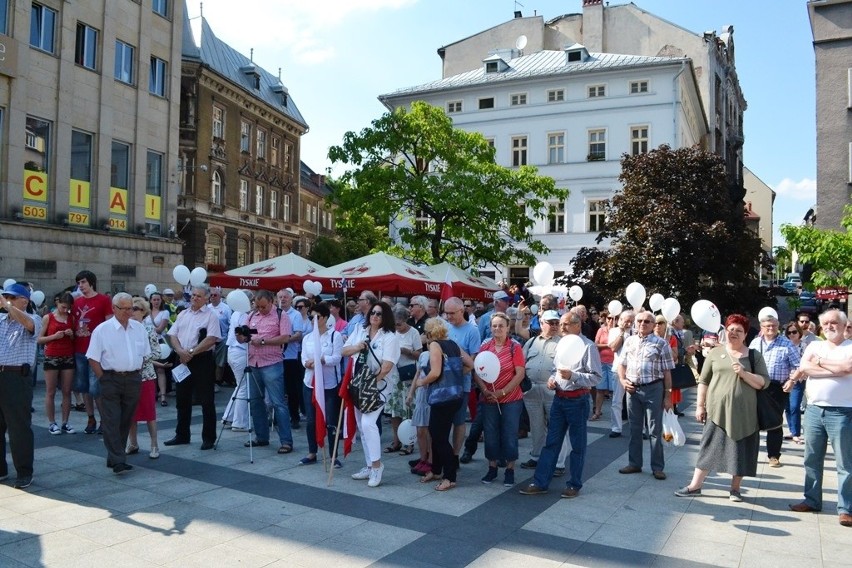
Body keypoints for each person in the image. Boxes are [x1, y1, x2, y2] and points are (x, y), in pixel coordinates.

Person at [674, 314, 770, 501]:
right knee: (708, 447)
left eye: (739, 331)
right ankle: (695, 486)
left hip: (746, 414)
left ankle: (735, 489)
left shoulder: (753, 355)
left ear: (745, 335)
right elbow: (704, 381)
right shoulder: (715, 353)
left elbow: (763, 382)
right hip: (716, 411)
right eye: (731, 329)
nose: (734, 333)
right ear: (725, 331)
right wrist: (700, 406)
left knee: (741, 450)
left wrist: (744, 373)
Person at [520, 309, 602, 497]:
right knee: (551, 443)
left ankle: (574, 484)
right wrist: (552, 379)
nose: (561, 327)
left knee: (577, 445)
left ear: (577, 325)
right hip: (559, 398)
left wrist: (574, 376)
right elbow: (556, 369)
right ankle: (541, 482)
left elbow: (596, 377)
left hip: (578, 401)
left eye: (565, 324)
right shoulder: (562, 344)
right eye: (560, 324)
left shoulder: (588, 346)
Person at [789, 309, 852, 527]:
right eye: (825, 323)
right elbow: (805, 367)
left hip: (843, 412)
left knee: (845, 463)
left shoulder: (850, 347)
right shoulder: (814, 345)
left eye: (834, 322)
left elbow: (848, 367)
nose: (829, 326)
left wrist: (821, 363)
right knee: (812, 459)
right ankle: (812, 500)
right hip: (815, 410)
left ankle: (846, 509)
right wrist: (836, 370)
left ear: (844, 326)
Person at [86, 293, 151, 475]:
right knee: (111, 419)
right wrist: (103, 379)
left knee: (125, 419)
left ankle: (114, 456)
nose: (129, 312)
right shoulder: (102, 330)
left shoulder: (138, 328)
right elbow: (92, 357)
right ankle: (119, 460)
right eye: (124, 309)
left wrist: (137, 373)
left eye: (131, 308)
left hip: (132, 379)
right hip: (110, 378)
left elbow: (145, 354)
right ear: (114, 308)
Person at [342, 300, 399, 487]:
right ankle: (369, 465)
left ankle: (377, 466)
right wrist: (358, 347)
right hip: (357, 384)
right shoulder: (360, 330)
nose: (374, 316)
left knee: (368, 423)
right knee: (361, 425)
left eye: (379, 313)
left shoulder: (390, 336)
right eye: (373, 312)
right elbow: (344, 350)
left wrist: (369, 384)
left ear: (386, 317)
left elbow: (387, 366)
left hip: (379, 386)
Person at [416, 317, 474, 491]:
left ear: (429, 333)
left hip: (442, 397)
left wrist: (422, 382)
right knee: (436, 433)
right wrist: (455, 376)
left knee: (440, 437)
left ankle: (450, 476)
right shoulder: (453, 344)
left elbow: (434, 373)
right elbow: (470, 364)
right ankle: (436, 470)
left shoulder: (435, 345)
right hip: (455, 395)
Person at [617, 310, 674, 479]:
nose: (642, 323)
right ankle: (634, 463)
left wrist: (668, 395)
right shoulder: (629, 341)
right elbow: (622, 364)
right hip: (632, 389)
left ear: (653, 325)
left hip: (653, 389)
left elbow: (667, 372)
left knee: (654, 430)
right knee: (634, 429)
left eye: (647, 321)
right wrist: (622, 380)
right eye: (640, 320)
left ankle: (657, 467)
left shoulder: (661, 343)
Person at [164, 284, 222, 450]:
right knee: (182, 398)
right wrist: (181, 351)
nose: (195, 298)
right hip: (182, 358)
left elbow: (211, 338)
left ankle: (208, 438)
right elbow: (172, 334)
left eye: (198, 296)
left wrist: (191, 352)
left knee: (206, 400)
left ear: (206, 298)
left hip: (201, 360)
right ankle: (182, 434)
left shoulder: (211, 316)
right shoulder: (183, 313)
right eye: (193, 295)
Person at [241, 289, 294, 454]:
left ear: (271, 302)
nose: (260, 309)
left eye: (263, 306)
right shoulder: (251, 316)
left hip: (272, 363)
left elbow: (286, 338)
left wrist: (263, 341)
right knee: (256, 402)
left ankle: (286, 441)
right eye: (257, 306)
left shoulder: (280, 315)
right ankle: (261, 436)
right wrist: (242, 337)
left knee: (278, 403)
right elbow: (245, 335)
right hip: (253, 362)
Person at [476, 312, 525, 487]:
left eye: (501, 325)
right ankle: (492, 467)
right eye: (494, 326)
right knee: (490, 433)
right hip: (489, 398)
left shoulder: (514, 347)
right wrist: (484, 389)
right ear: (490, 328)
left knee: (510, 433)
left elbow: (520, 373)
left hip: (511, 398)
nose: (497, 328)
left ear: (508, 328)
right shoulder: (485, 347)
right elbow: (478, 370)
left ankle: (510, 469)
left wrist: (503, 392)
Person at [0, 283, 41, 489]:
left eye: (11, 297)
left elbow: (29, 324)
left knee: (18, 428)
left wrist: (7, 306)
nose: (6, 300)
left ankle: (24, 472)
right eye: (5, 297)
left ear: (24, 301)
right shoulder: (0, 320)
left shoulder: (33, 318)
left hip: (17, 378)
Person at [748, 314, 800, 468]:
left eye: (774, 326)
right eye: (767, 326)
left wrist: (792, 381)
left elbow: (797, 366)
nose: (771, 329)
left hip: (777, 388)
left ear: (778, 326)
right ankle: (750, 454)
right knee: (751, 420)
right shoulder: (755, 343)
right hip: (755, 385)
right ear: (761, 327)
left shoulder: (787, 344)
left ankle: (774, 456)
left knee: (775, 422)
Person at [300, 302, 343, 466]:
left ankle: (333, 455)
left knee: (331, 420)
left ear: (325, 318)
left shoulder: (334, 336)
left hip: (328, 384)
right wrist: (308, 363)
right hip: (310, 383)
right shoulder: (308, 338)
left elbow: (337, 358)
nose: (313, 320)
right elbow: (303, 358)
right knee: (311, 420)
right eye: (311, 317)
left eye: (316, 317)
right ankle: (312, 452)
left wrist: (321, 360)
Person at [519, 309, 562, 470]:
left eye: (556, 323)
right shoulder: (531, 342)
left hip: (553, 390)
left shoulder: (562, 342)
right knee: (536, 426)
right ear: (541, 323)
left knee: (557, 426)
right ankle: (536, 456)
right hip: (532, 390)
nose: (554, 326)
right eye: (550, 323)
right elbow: (521, 363)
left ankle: (558, 462)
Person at [72, 270, 113, 435]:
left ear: (91, 282)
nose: (80, 286)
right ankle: (91, 417)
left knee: (97, 388)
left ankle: (104, 419)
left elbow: (109, 325)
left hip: (96, 352)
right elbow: (75, 323)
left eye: (83, 282)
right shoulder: (77, 302)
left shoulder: (104, 300)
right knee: (85, 387)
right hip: (79, 350)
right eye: (79, 283)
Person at [126, 297, 161, 459]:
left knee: (149, 412)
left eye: (135, 309)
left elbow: (157, 352)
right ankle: (132, 442)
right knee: (130, 412)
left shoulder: (148, 330)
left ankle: (154, 445)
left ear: (143, 312)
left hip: (146, 376)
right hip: (129, 376)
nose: (131, 312)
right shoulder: (126, 328)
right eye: (130, 309)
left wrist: (140, 358)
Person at [37, 291, 76, 435]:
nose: (65, 310)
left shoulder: (71, 318)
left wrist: (71, 335)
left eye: (68, 308)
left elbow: (75, 340)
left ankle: (65, 422)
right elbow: (39, 339)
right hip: (52, 356)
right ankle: (52, 422)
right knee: (51, 391)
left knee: (67, 390)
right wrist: (54, 336)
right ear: (57, 304)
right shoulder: (49, 317)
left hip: (68, 355)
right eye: (63, 307)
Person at [386, 305, 421, 454]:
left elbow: (420, 355)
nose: (396, 327)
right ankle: (396, 441)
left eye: (399, 324)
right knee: (395, 411)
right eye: (394, 324)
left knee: (408, 411)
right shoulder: (390, 332)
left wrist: (407, 351)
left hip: (408, 376)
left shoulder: (414, 333)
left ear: (406, 320)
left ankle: (409, 441)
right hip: (393, 375)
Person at [222, 291, 253, 432]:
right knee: (244, 387)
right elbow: (246, 333)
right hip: (240, 351)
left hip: (232, 351)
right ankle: (239, 422)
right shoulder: (244, 315)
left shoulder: (235, 313)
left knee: (239, 386)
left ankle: (229, 416)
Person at [607, 309, 635, 438]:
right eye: (626, 321)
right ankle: (616, 428)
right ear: (620, 321)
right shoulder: (614, 331)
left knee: (636, 402)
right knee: (617, 401)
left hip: (634, 371)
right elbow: (613, 348)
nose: (629, 323)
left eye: (631, 321)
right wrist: (622, 333)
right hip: (618, 370)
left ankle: (638, 429)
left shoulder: (637, 332)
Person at [782, 320, 807, 444]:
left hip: (798, 379)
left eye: (794, 332)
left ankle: (796, 433)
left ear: (799, 332)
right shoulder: (784, 344)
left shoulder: (804, 346)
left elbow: (805, 364)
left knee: (795, 406)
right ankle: (792, 431)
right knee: (787, 407)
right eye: (789, 332)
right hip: (784, 378)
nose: (791, 334)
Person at [148, 292, 172, 405]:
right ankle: (153, 393)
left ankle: (163, 396)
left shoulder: (165, 312)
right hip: (147, 342)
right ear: (150, 301)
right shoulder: (146, 313)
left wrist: (147, 328)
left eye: (158, 299)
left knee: (160, 369)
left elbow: (160, 329)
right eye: (154, 300)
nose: (156, 302)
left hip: (159, 342)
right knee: (149, 368)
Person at [592, 310, 615, 421]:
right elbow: (595, 344)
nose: (611, 320)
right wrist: (608, 345)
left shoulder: (618, 331)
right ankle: (597, 412)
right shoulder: (601, 330)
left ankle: (616, 415)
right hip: (601, 362)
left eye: (613, 318)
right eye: (609, 318)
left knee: (614, 390)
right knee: (600, 389)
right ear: (606, 319)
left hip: (614, 363)